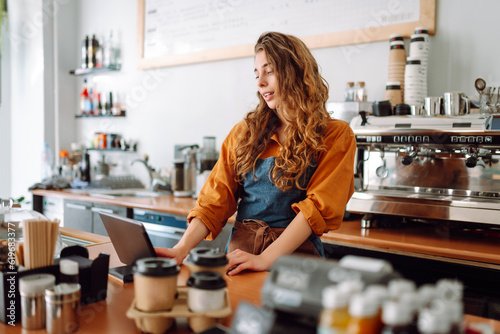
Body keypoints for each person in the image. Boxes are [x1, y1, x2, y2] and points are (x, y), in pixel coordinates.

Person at [156, 31, 356, 275]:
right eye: (257, 74)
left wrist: (265, 259)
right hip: (240, 261)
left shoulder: (335, 135)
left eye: (269, 71)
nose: (260, 83)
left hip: (297, 264)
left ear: (296, 71)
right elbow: (214, 200)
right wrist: (181, 249)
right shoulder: (245, 133)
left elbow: (316, 209)